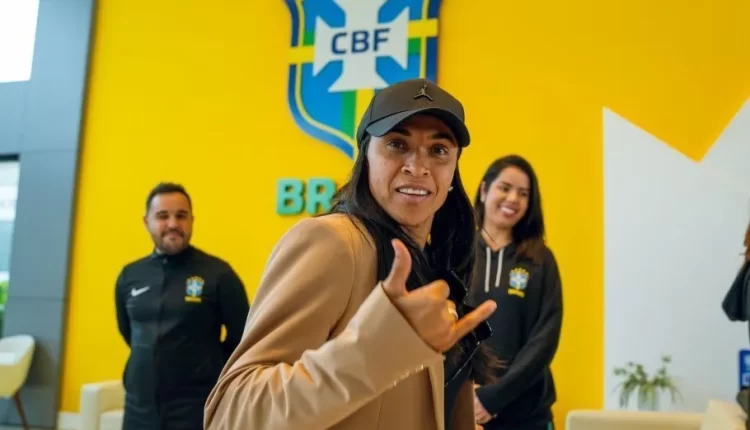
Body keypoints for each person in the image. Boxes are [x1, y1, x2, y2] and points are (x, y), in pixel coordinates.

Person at [203, 78, 499, 430]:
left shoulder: (438, 264)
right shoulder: (333, 243)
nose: (418, 167)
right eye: (396, 144)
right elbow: (231, 413)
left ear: (453, 171)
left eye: (438, 150)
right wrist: (374, 350)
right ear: (365, 158)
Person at [115, 182, 250, 430]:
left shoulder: (218, 274)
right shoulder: (130, 275)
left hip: (195, 408)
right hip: (139, 409)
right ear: (146, 221)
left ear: (192, 220)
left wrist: (208, 366)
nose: (173, 224)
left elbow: (242, 337)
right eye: (162, 216)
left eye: (181, 215)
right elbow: (128, 332)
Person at [468, 155, 563, 430]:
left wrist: (494, 397)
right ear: (484, 190)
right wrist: (464, 392)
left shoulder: (540, 260)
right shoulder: (457, 254)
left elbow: (544, 339)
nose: (513, 199)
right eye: (505, 188)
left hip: (527, 414)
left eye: (523, 193)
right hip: (466, 407)